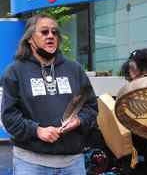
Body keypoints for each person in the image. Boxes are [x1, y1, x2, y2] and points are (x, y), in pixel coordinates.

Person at [1, 14, 98, 175]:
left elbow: (91, 107)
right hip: (31, 164)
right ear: (30, 39)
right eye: (44, 32)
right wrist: (36, 131)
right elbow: (9, 116)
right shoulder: (14, 71)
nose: (51, 36)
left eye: (54, 32)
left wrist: (79, 120)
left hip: (73, 163)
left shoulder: (75, 69)